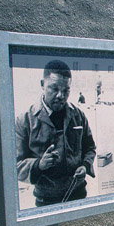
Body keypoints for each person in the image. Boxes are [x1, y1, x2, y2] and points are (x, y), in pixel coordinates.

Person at [15, 60, 96, 206]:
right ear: (42, 84)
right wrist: (39, 165)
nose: (61, 95)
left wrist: (85, 165)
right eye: (54, 88)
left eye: (66, 90)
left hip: (77, 193)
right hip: (46, 200)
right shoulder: (25, 120)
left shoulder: (78, 115)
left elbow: (90, 147)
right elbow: (16, 164)